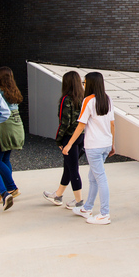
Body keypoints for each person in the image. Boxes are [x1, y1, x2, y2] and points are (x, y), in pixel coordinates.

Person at [69, 72, 116, 225]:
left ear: (90, 84)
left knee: (100, 178)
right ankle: (87, 208)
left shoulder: (88, 100)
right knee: (93, 177)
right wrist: (113, 144)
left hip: (94, 145)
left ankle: (104, 214)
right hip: (105, 144)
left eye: (85, 82)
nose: (83, 84)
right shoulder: (107, 99)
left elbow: (81, 124)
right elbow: (112, 124)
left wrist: (69, 144)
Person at [43, 71, 85, 209]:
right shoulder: (83, 98)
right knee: (68, 167)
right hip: (81, 137)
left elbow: (64, 123)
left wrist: (59, 141)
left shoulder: (66, 99)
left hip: (69, 138)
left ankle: (79, 201)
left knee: (73, 169)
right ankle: (58, 195)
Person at [0, 66, 25, 200]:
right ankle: (6, 187)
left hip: (4, 127)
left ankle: (11, 187)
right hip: (16, 126)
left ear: (0, 78)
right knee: (4, 159)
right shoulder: (14, 91)